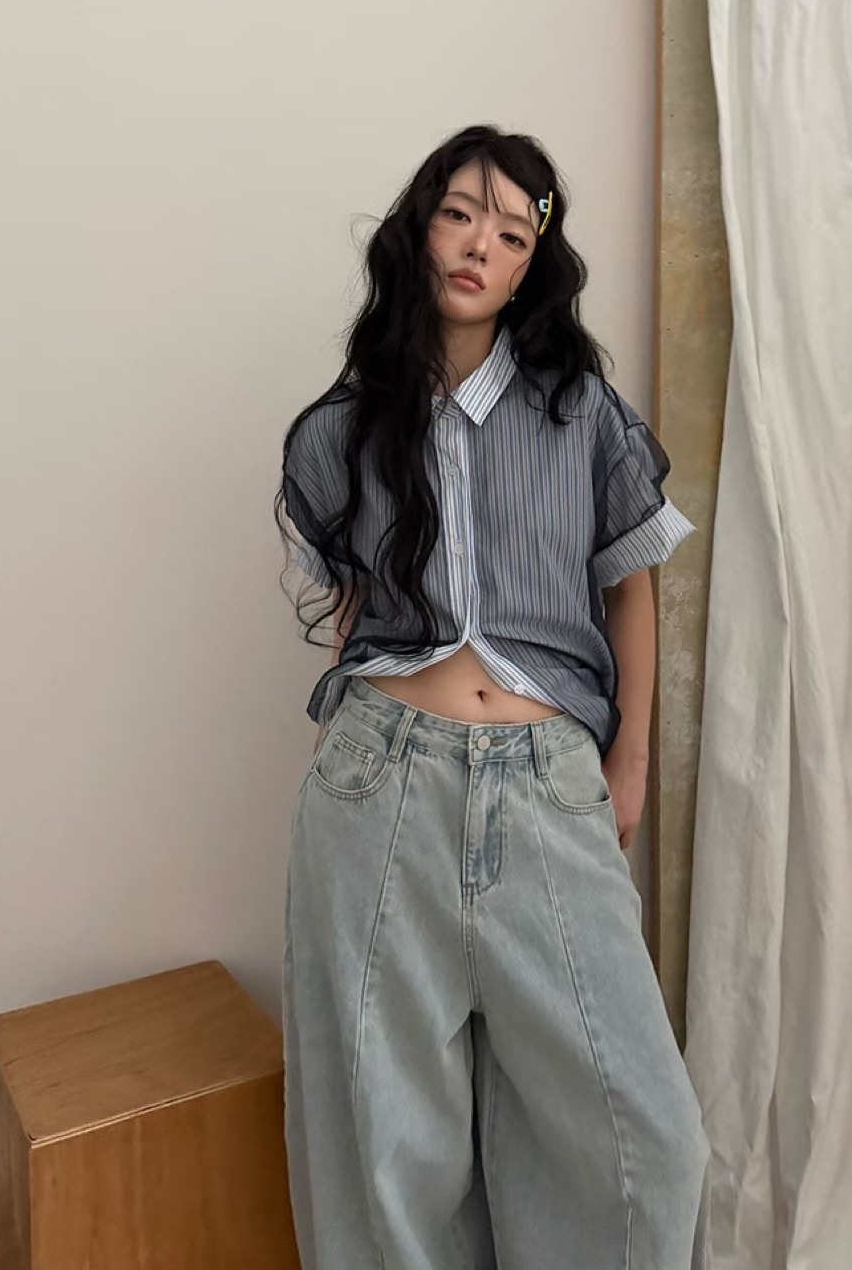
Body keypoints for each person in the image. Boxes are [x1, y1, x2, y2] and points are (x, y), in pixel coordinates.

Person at [275, 125, 712, 1270]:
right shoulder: (344, 426)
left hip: (545, 784)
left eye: (513, 233)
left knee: (647, 1141)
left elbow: (629, 588)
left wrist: (625, 766)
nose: (482, 244)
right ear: (420, 228)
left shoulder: (581, 415)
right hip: (378, 784)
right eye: (462, 214)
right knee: (384, 1142)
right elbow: (356, 605)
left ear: (530, 269)